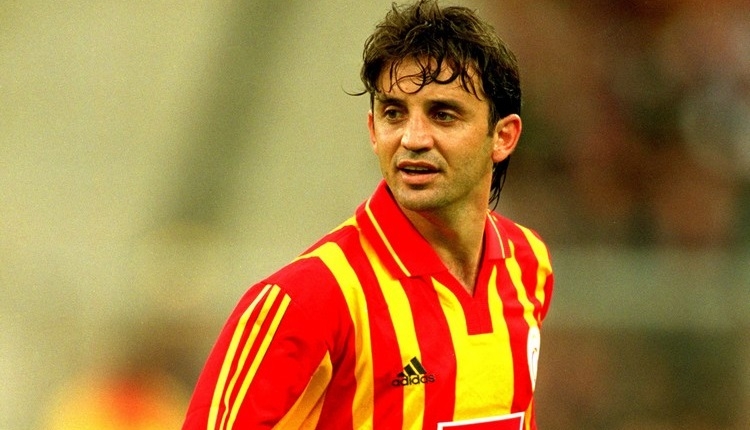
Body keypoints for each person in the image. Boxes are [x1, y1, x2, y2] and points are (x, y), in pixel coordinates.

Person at [182, 0, 554, 428]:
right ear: (374, 131)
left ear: (503, 136)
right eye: (394, 113)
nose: (413, 138)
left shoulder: (529, 262)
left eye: (443, 114)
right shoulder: (308, 299)